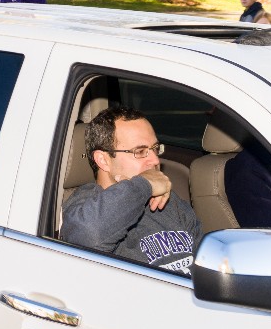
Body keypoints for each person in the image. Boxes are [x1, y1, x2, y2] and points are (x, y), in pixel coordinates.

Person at [61, 106, 201, 274]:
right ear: (103, 160)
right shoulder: (86, 204)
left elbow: (206, 262)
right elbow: (86, 236)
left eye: (155, 148)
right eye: (140, 151)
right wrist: (145, 184)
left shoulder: (171, 202)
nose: (155, 160)